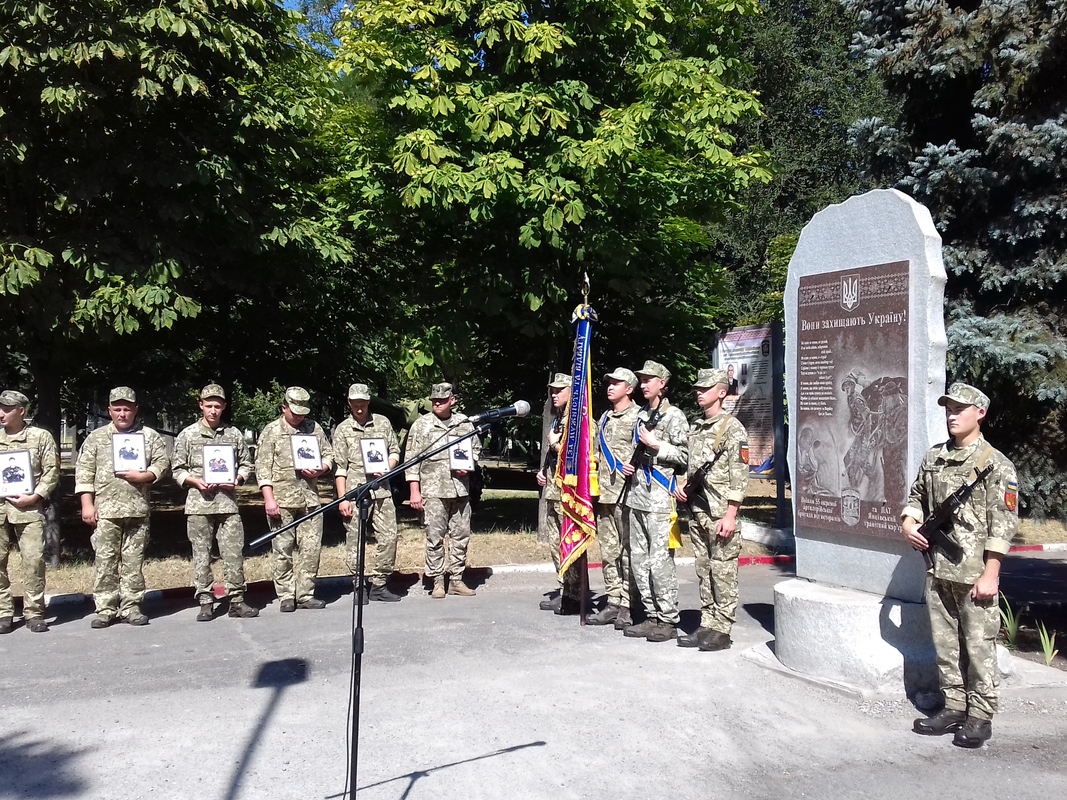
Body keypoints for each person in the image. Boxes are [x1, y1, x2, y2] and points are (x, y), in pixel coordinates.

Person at [902, 382, 1017, 749]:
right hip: (938, 568)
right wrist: (908, 523)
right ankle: (953, 705)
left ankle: (980, 716)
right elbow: (916, 496)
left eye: (960, 408)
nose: (952, 414)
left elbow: (1003, 522)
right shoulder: (934, 457)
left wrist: (991, 574)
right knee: (946, 644)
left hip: (974, 574)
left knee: (979, 646)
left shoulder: (996, 464)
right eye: (948, 408)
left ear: (979, 413)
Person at [75, 387, 170, 628]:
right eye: (117, 409)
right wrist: (87, 504)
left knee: (133, 561)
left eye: (127, 408)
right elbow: (84, 473)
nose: (122, 413)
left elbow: (163, 463)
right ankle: (105, 608)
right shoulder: (96, 438)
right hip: (105, 511)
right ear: (109, 411)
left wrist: (146, 476)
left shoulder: (148, 436)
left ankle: (131, 606)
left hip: (137, 510)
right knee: (105, 561)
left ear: (135, 409)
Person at [673, 368, 749, 651]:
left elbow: (740, 475)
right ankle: (707, 623)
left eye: (705, 388)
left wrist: (731, 514)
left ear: (721, 392)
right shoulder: (696, 428)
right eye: (697, 389)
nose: (698, 393)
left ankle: (722, 629)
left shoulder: (732, 428)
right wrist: (683, 483)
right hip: (699, 512)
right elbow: (692, 467)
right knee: (704, 570)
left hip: (720, 514)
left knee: (723, 572)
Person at [172, 384, 257, 622]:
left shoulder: (234, 434)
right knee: (201, 554)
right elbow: (176, 469)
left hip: (228, 504)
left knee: (234, 553)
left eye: (217, 406)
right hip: (199, 504)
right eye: (208, 406)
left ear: (224, 407)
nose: (212, 410)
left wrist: (237, 479)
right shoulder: (188, 435)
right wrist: (194, 481)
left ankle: (237, 600)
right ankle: (205, 600)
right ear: (201, 405)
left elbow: (246, 464)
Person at [620, 360, 688, 642]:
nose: (644, 384)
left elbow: (685, 457)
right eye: (642, 379)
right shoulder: (642, 415)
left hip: (660, 500)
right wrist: (629, 465)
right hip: (637, 496)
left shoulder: (675, 416)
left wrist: (657, 445)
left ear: (662, 383)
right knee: (639, 560)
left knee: (660, 562)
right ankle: (650, 616)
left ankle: (668, 619)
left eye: (649, 379)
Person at [256, 387, 334, 612]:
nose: (300, 417)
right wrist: (269, 499)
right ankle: (286, 595)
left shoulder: (313, 428)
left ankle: (306, 594)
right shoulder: (271, 431)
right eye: (295, 412)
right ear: (284, 407)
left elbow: (329, 454)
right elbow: (262, 468)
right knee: (283, 549)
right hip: (282, 500)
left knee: (311, 550)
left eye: (303, 412)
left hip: (310, 500)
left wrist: (321, 468)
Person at [406, 382, 480, 598]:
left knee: (461, 536)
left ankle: (456, 579)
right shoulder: (421, 425)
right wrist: (414, 490)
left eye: (441, 400)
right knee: (434, 536)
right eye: (434, 401)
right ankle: (437, 581)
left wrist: (469, 466)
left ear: (452, 400)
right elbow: (411, 460)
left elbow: (475, 449)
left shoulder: (464, 423)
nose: (437, 404)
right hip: (433, 491)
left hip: (460, 490)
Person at [334, 383, 402, 603]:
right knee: (355, 540)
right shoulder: (343, 429)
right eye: (355, 403)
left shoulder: (383, 423)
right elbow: (340, 467)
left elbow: (394, 451)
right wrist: (343, 498)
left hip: (381, 490)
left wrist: (388, 467)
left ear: (368, 401)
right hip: (355, 493)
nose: (359, 407)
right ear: (349, 402)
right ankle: (359, 584)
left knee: (389, 537)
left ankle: (380, 584)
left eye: (362, 403)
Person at [0, 390, 59, 634]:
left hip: (29, 509)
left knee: (33, 561)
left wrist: (37, 495)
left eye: (7, 409)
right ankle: (4, 613)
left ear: (21, 411)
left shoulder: (40, 437)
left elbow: (52, 471)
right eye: (0, 408)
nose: (1, 413)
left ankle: (34, 612)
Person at [585, 368, 640, 627]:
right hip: (605, 494)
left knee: (628, 553)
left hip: (627, 494)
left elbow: (647, 455)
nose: (610, 386)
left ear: (629, 388)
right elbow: (595, 453)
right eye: (609, 383)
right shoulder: (605, 417)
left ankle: (629, 604)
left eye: (617, 383)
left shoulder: (639, 416)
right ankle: (613, 600)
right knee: (608, 552)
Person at [536, 373, 581, 614]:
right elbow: (554, 455)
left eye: (559, 390)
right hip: (553, 489)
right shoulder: (558, 420)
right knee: (555, 544)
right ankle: (564, 589)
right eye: (552, 391)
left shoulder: (579, 424)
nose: (554, 394)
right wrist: (543, 471)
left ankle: (574, 594)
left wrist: (554, 444)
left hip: (569, 493)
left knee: (568, 543)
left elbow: (578, 457)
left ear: (571, 393)